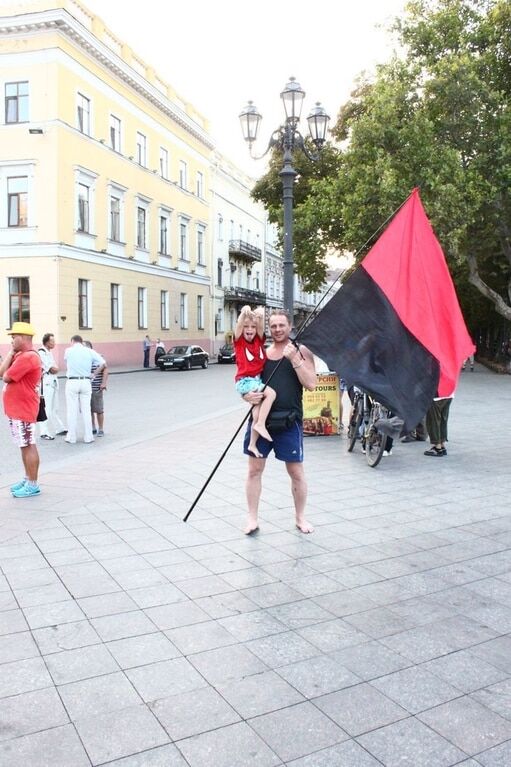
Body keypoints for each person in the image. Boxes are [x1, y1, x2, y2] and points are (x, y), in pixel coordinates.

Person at [242, 310, 316, 535]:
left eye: (281, 325)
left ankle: (300, 517)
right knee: (254, 470)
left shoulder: (301, 351)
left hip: (289, 421)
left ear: (290, 326)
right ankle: (252, 519)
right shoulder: (262, 353)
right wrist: (246, 396)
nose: (277, 330)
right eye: (273, 326)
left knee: (296, 472)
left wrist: (294, 360)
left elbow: (311, 383)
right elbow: (248, 381)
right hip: (261, 421)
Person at [0, 322, 42, 497]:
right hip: (18, 409)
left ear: (25, 338)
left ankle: (32, 484)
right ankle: (28, 478)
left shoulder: (28, 357)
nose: (11, 340)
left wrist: (11, 356)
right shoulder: (20, 355)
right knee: (23, 445)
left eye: (14, 336)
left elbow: (6, 377)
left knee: (28, 444)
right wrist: (11, 352)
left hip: (23, 408)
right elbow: (1, 372)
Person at [234, 305, 276, 458]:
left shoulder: (258, 340)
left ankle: (252, 444)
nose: (249, 329)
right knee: (271, 394)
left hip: (255, 380)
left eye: (252, 326)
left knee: (257, 411)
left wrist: (258, 315)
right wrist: (244, 310)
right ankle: (260, 425)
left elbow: (260, 321)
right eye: (246, 326)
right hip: (245, 381)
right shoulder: (239, 342)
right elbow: (240, 325)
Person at [64, 335, 105, 444]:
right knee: (87, 410)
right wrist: (93, 374)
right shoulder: (89, 351)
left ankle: (71, 437)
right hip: (86, 381)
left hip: (72, 381)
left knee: (72, 410)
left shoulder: (68, 351)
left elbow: (66, 362)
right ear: (81, 342)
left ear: (72, 341)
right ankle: (89, 436)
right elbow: (102, 362)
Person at [37, 332, 66, 439]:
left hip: (53, 382)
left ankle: (59, 428)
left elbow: (56, 368)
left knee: (55, 407)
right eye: (52, 341)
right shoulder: (41, 352)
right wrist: (55, 369)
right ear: (46, 342)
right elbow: (52, 369)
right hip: (47, 383)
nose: (54, 343)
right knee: (46, 407)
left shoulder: (49, 352)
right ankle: (43, 431)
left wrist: (55, 369)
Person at [85, 341, 108, 436]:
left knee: (98, 410)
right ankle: (93, 427)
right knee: (89, 409)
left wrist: (103, 383)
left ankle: (101, 429)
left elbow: (106, 369)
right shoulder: (83, 358)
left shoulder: (98, 357)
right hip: (86, 388)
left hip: (96, 387)